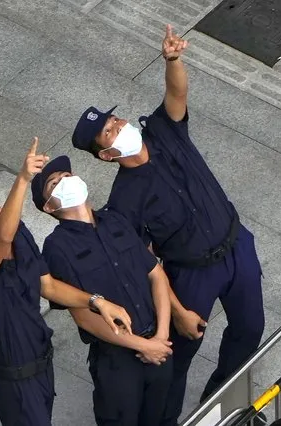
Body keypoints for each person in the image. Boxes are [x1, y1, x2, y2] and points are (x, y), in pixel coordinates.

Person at [70, 25, 265, 426]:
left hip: (236, 246)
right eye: (109, 131)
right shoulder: (124, 201)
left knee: (250, 330)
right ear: (106, 155)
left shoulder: (163, 131)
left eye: (114, 118)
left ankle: (225, 408)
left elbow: (177, 94)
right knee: (179, 355)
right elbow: (142, 258)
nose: (119, 125)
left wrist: (173, 60)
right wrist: (175, 310)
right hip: (192, 274)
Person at [0, 138, 133, 426]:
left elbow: (48, 286)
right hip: (17, 381)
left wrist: (97, 301)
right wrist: (23, 178)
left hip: (42, 364)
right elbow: (3, 237)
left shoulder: (19, 233)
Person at [31, 155, 174, 426]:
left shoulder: (115, 221)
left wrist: (161, 336)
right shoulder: (58, 246)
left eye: (65, 175)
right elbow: (84, 316)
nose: (65, 180)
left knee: (159, 417)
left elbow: (155, 274)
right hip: (117, 358)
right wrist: (143, 345)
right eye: (54, 183)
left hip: (159, 340)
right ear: (49, 207)